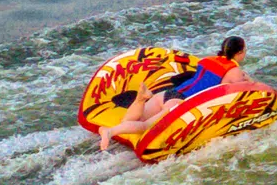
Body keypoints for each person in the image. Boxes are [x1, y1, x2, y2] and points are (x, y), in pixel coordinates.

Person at [99, 37, 266, 151]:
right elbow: (243, 91)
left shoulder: (207, 60)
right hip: (181, 103)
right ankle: (110, 132)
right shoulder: (234, 71)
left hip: (170, 93)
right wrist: (246, 77)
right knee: (144, 127)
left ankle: (141, 99)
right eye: (244, 51)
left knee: (133, 120)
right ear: (239, 53)